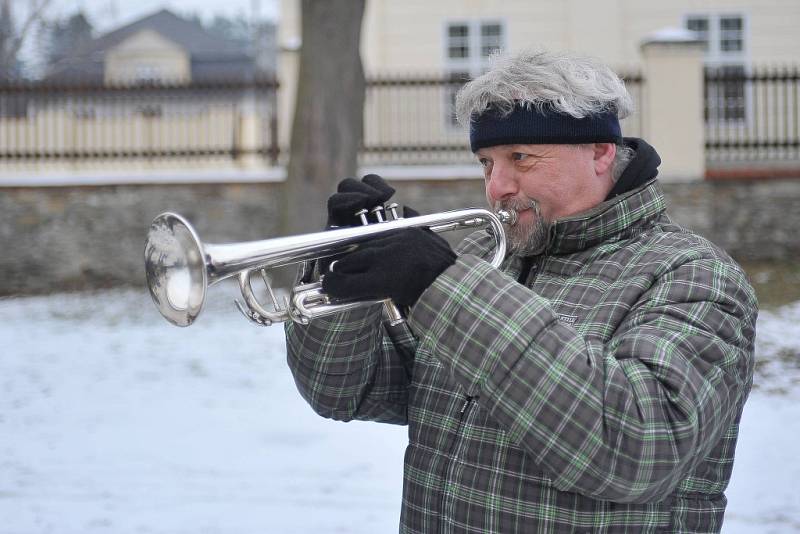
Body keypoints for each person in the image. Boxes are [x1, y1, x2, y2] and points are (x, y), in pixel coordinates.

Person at [283, 49, 758, 533]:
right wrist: (340, 274)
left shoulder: (693, 275)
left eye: (521, 158)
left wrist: (439, 283)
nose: (498, 187)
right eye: (487, 162)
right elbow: (344, 391)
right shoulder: (482, 257)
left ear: (599, 151)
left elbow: (637, 448)